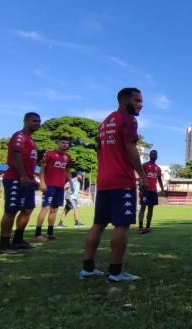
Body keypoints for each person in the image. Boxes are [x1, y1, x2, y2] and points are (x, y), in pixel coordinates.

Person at [79, 88, 146, 282]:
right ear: (125, 99)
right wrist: (141, 176)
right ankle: (116, 272)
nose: (141, 104)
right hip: (122, 180)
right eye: (137, 100)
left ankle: (88, 269)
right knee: (122, 225)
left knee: (98, 224)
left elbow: (99, 153)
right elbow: (130, 148)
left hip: (104, 180)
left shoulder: (105, 122)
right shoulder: (128, 120)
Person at [0, 112, 41, 254]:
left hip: (28, 180)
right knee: (11, 210)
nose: (37, 123)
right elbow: (16, 156)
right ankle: (4, 245)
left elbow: (29, 162)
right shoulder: (19, 136)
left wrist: (32, 178)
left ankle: (18, 240)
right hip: (15, 179)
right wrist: (22, 176)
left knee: (28, 209)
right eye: (34, 121)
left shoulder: (32, 141)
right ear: (26, 120)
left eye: (39, 121)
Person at [34, 136, 72, 242]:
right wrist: (42, 182)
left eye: (67, 143)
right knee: (45, 208)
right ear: (58, 142)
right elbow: (42, 168)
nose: (65, 144)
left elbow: (68, 171)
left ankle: (50, 233)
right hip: (49, 185)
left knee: (54, 209)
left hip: (60, 187)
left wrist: (71, 184)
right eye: (63, 142)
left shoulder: (68, 157)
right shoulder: (49, 154)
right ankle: (37, 234)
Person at [138, 149, 165, 234]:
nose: (154, 155)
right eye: (152, 154)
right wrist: (140, 189)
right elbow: (141, 177)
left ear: (157, 156)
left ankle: (148, 227)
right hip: (145, 190)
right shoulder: (144, 165)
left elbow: (159, 179)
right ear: (149, 155)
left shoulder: (158, 168)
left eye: (155, 154)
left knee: (151, 209)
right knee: (143, 208)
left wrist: (162, 189)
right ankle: (140, 227)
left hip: (153, 191)